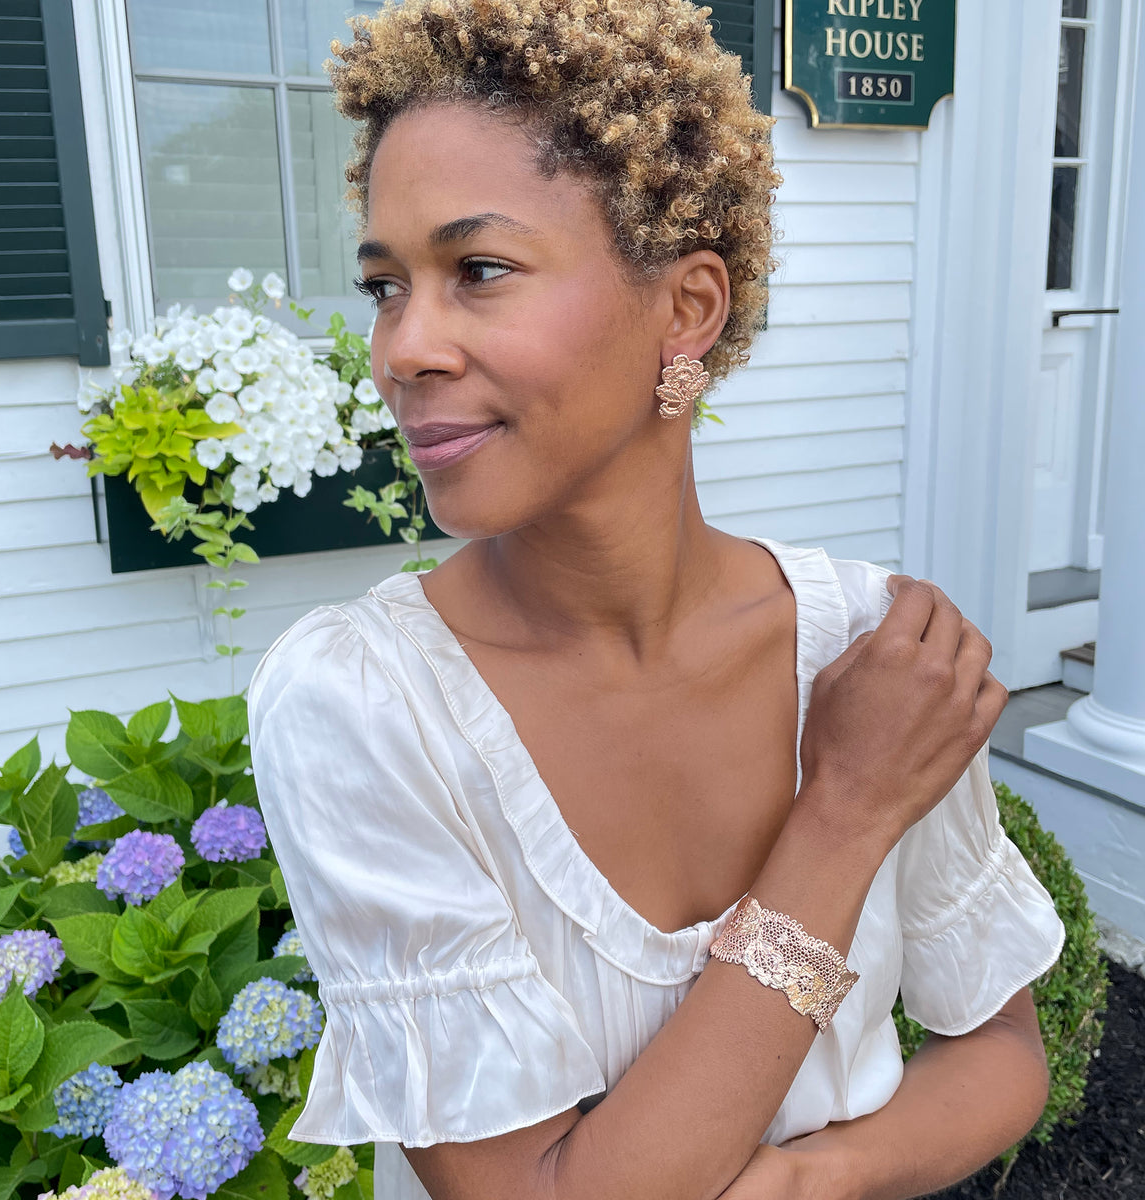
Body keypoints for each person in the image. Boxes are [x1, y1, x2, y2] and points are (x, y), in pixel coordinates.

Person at [246, 2, 1066, 1197]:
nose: (403, 349)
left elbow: (999, 1047)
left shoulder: (871, 649)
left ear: (686, 309)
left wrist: (801, 1183)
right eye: (385, 286)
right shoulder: (367, 705)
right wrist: (841, 817)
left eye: (477, 270)